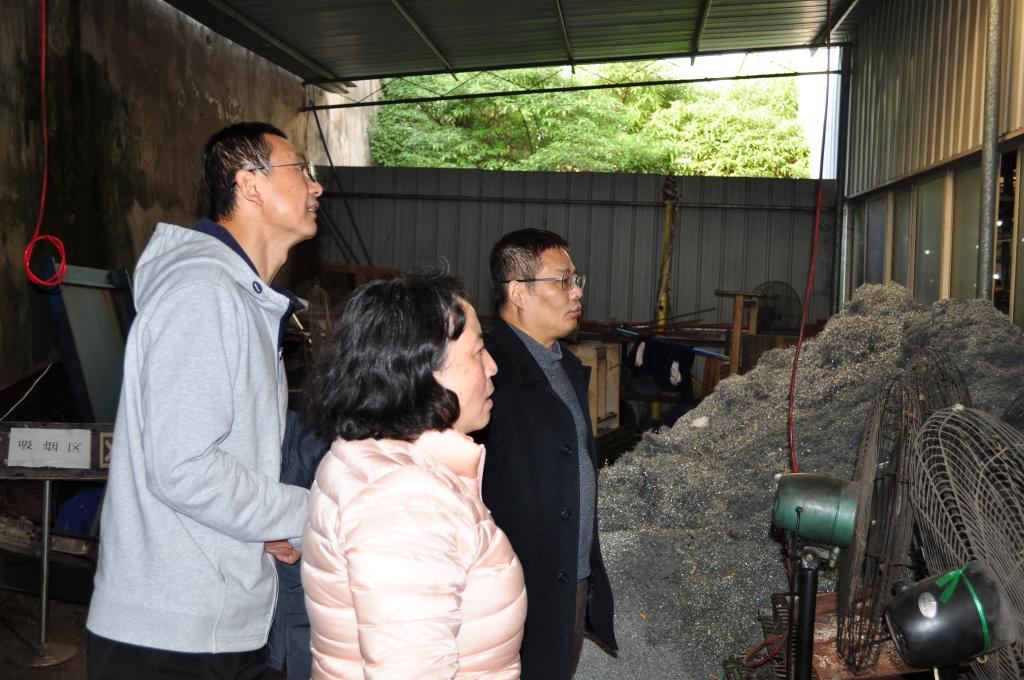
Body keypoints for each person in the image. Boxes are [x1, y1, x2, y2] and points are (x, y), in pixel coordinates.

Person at [87, 121, 323, 679]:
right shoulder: (204, 293)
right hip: (170, 635)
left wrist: (263, 525)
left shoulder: (239, 297)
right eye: (301, 169)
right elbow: (184, 467)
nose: (317, 186)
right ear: (249, 184)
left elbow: (224, 458)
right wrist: (307, 512)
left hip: (211, 618)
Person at [302, 272, 526, 679]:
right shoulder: (404, 500)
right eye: (478, 352)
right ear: (423, 371)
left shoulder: (374, 461)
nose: (493, 366)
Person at [475, 228, 617, 678]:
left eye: (576, 280)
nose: (577, 292)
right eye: (562, 281)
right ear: (518, 291)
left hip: (568, 579)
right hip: (513, 588)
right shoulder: (486, 372)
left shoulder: (562, 366)